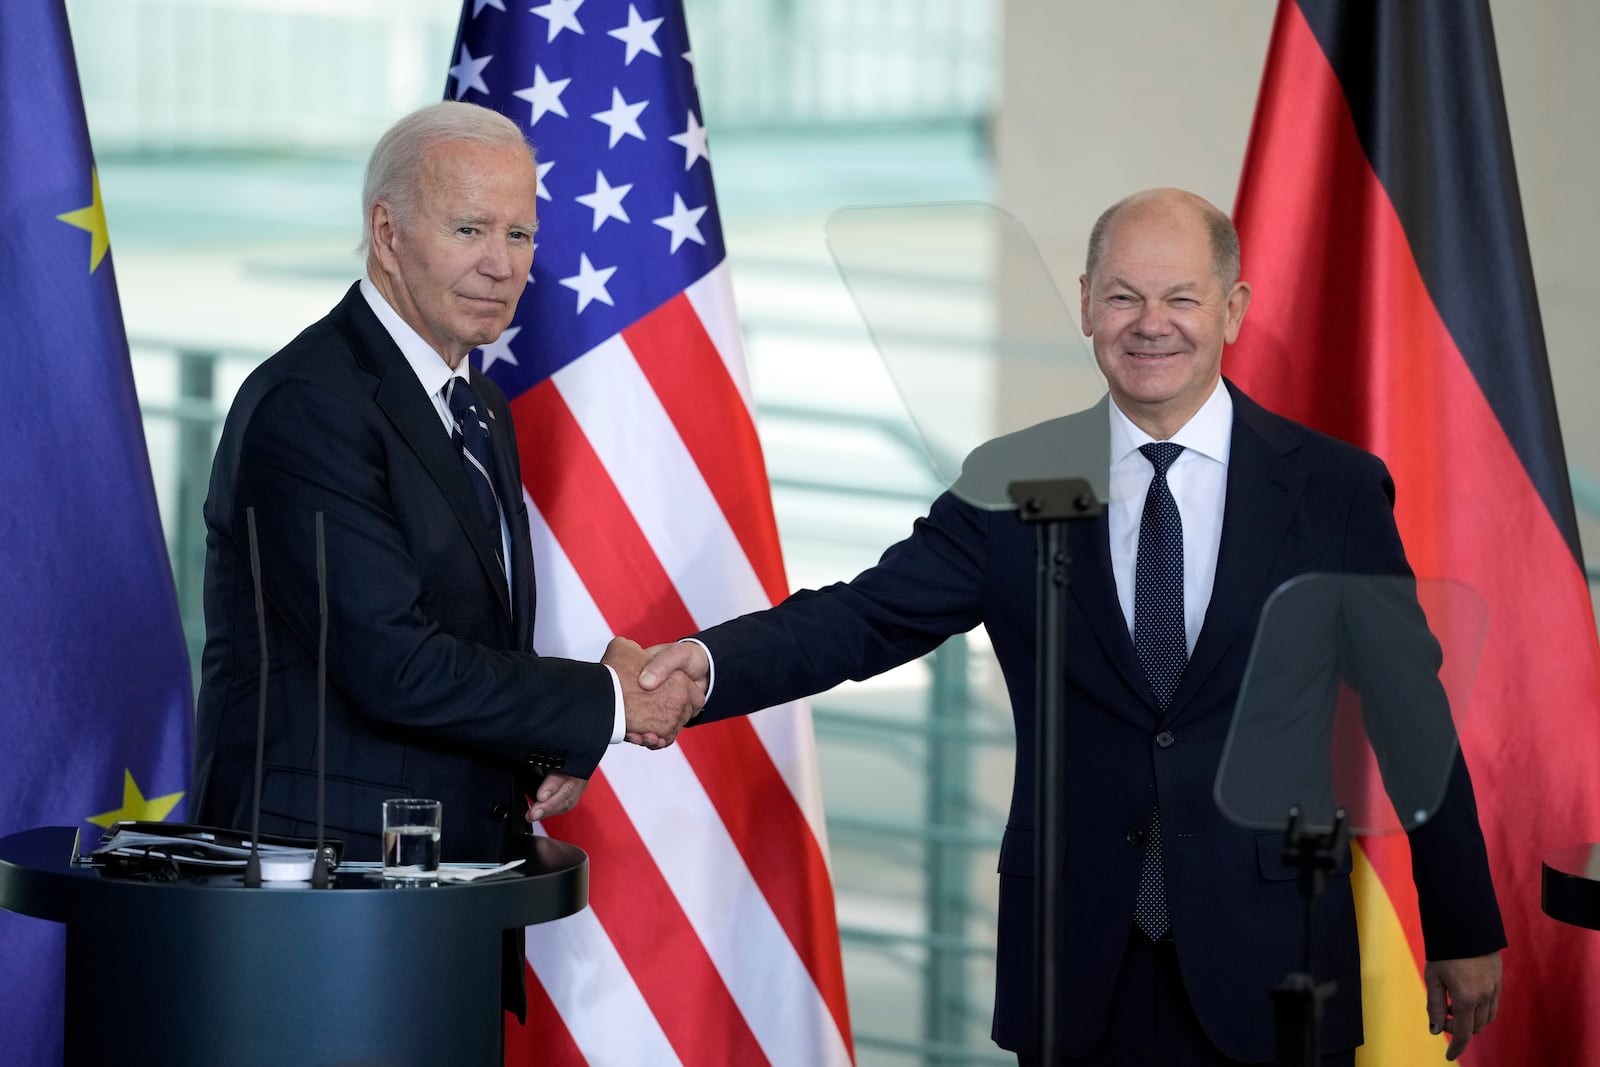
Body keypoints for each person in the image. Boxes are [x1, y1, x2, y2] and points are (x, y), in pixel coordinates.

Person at [637, 189, 1506, 1065]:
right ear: (1087, 303)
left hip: (1272, 964)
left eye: (1181, 298)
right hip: (1079, 972)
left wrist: (1462, 923)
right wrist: (704, 665)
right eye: (1124, 296)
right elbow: (865, 617)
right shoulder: (1016, 479)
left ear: (1232, 309)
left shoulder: (1334, 491)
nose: (1150, 324)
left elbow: (1410, 715)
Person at [192, 102, 697, 873]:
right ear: (388, 235)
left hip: (451, 878)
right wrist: (603, 701)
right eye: (469, 230)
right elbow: (396, 666)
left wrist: (551, 736)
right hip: (320, 893)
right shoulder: (308, 404)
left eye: (519, 234)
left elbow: (470, 641)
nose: (501, 263)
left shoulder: (480, 405)